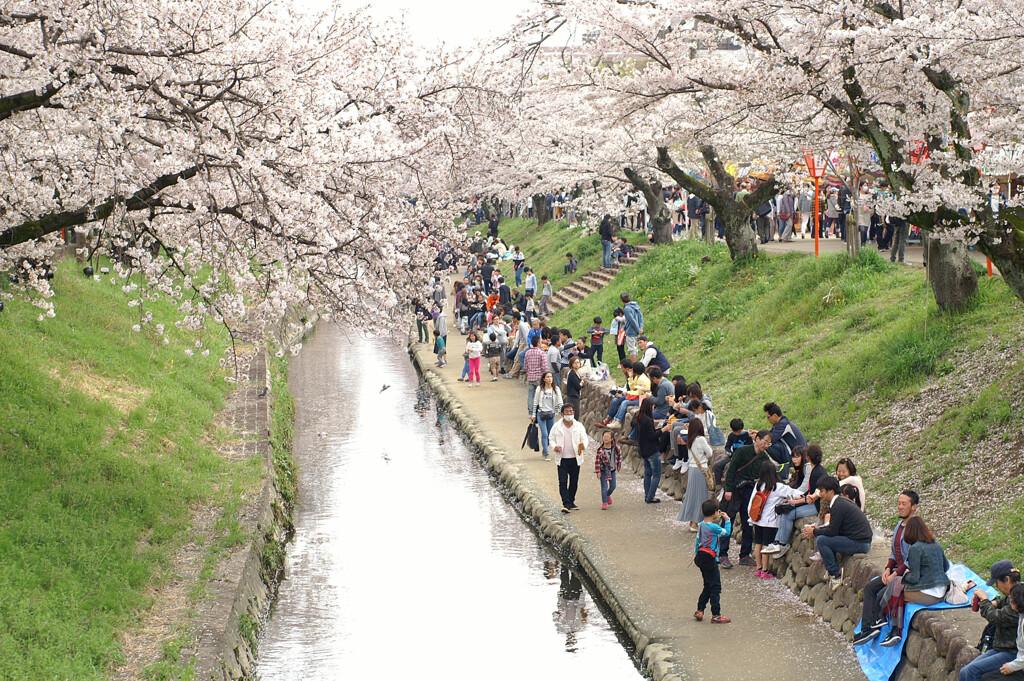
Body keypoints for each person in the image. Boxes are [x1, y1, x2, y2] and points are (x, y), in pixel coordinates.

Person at [876, 516, 951, 647]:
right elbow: (946, 567)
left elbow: (914, 578)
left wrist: (906, 575)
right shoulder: (936, 544)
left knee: (896, 587)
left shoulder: (916, 548)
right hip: (941, 592)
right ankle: (884, 618)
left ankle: (893, 628)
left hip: (929, 595)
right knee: (896, 583)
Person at [801, 475, 873, 590]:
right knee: (823, 536)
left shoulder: (838, 505)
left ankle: (835, 573)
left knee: (822, 540)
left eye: (822, 491)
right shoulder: (840, 502)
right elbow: (833, 527)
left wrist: (815, 531)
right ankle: (832, 568)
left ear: (831, 491)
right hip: (860, 540)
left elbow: (832, 531)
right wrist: (817, 529)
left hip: (861, 544)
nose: (821, 494)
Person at [960, 561, 1023, 681]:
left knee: (970, 672)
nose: (997, 587)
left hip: (1012, 652)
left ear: (1007, 580)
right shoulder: (1018, 591)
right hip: (1001, 647)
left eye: (997, 583)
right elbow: (1004, 602)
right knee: (965, 671)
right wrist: (994, 603)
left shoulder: (1020, 602)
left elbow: (996, 618)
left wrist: (984, 600)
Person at [720, 429, 773, 569]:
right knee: (728, 520)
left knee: (748, 523)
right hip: (735, 488)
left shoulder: (763, 458)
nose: (766, 445)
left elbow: (771, 474)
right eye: (765, 442)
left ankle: (745, 555)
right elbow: (731, 470)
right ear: (757, 439)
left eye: (769, 443)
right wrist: (729, 490)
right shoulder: (743, 451)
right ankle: (722, 553)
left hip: (749, 491)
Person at [763, 445, 821, 558]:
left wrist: (795, 499)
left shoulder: (810, 468)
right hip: (808, 501)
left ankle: (782, 544)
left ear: (807, 457)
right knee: (785, 510)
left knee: (789, 513)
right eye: (793, 457)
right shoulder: (802, 469)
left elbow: (807, 489)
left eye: (797, 457)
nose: (794, 460)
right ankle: (777, 542)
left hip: (816, 505)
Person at [749, 460, 803, 579]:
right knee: (766, 545)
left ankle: (758, 568)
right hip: (770, 522)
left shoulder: (759, 485)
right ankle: (765, 570)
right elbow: (794, 492)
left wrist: (751, 517)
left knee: (758, 543)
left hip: (757, 519)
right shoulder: (777, 487)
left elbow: (752, 501)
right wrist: (806, 495)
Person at [693, 499, 732, 624]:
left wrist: (696, 553)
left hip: (701, 558)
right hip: (711, 560)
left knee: (707, 585)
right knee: (715, 587)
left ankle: (700, 609)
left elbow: (697, 542)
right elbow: (726, 533)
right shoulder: (714, 527)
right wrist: (727, 520)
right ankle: (716, 614)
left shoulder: (701, 525)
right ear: (715, 512)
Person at [979, 584, 1024, 681]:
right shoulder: (1020, 615)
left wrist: (1012, 667)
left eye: (1011, 599)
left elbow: (994, 617)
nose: (1009, 601)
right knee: (986, 677)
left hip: (1019, 665)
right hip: (1019, 663)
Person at [550, 403, 589, 513]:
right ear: (562, 414)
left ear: (574, 413)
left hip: (575, 458)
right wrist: (554, 447)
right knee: (562, 481)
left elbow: (585, 439)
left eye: (571, 411)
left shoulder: (579, 426)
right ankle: (566, 503)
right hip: (562, 458)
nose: (569, 414)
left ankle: (571, 501)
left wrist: (583, 446)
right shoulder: (557, 426)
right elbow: (551, 439)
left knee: (574, 482)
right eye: (567, 412)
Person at [677, 419, 712, 531]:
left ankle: (693, 521)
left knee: (693, 495)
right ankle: (695, 522)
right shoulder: (701, 439)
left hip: (692, 468)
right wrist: (705, 456)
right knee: (701, 496)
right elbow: (710, 453)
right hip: (700, 469)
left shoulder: (690, 439)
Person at [531, 371, 563, 460]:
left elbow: (560, 401)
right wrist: (533, 414)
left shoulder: (556, 389)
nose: (549, 379)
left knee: (550, 434)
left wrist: (561, 412)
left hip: (551, 414)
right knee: (544, 434)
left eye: (551, 377)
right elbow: (535, 402)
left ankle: (545, 448)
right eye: (548, 377)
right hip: (541, 413)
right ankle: (547, 453)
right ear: (544, 379)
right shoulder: (539, 389)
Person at [635, 400, 662, 503]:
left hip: (643, 451)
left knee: (647, 474)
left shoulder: (639, 418)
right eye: (653, 406)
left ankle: (647, 495)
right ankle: (650, 497)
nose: (653, 407)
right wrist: (662, 430)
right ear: (649, 407)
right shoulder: (648, 420)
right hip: (651, 451)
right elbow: (651, 436)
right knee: (656, 474)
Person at [594, 430, 622, 510]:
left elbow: (619, 456)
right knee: (604, 487)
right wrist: (598, 471)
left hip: (612, 470)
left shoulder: (615, 448)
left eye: (607, 437)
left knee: (613, 486)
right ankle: (604, 502)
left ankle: (607, 495)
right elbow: (597, 461)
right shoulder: (600, 450)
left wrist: (619, 465)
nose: (605, 438)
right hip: (603, 470)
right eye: (604, 436)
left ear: (612, 439)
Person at [523, 336, 548, 416]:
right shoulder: (541, 353)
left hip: (530, 377)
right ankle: (540, 411)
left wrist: (529, 373)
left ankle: (531, 412)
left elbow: (525, 366)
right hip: (539, 377)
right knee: (541, 395)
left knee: (531, 395)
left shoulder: (528, 353)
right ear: (538, 343)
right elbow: (544, 367)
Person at [621, 292, 643, 361]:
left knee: (632, 350)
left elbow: (632, 320)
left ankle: (634, 368)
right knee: (635, 349)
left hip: (631, 331)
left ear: (622, 300)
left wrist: (637, 329)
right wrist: (640, 328)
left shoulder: (627, 309)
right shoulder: (636, 305)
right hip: (638, 330)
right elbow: (640, 317)